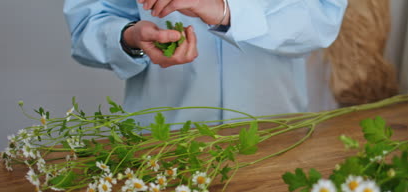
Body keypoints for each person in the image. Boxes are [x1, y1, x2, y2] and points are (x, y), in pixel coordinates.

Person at [64, 0, 347, 126]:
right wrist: (127, 38)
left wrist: (226, 10)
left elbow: (323, 18)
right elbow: (88, 23)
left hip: (272, 130)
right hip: (159, 140)